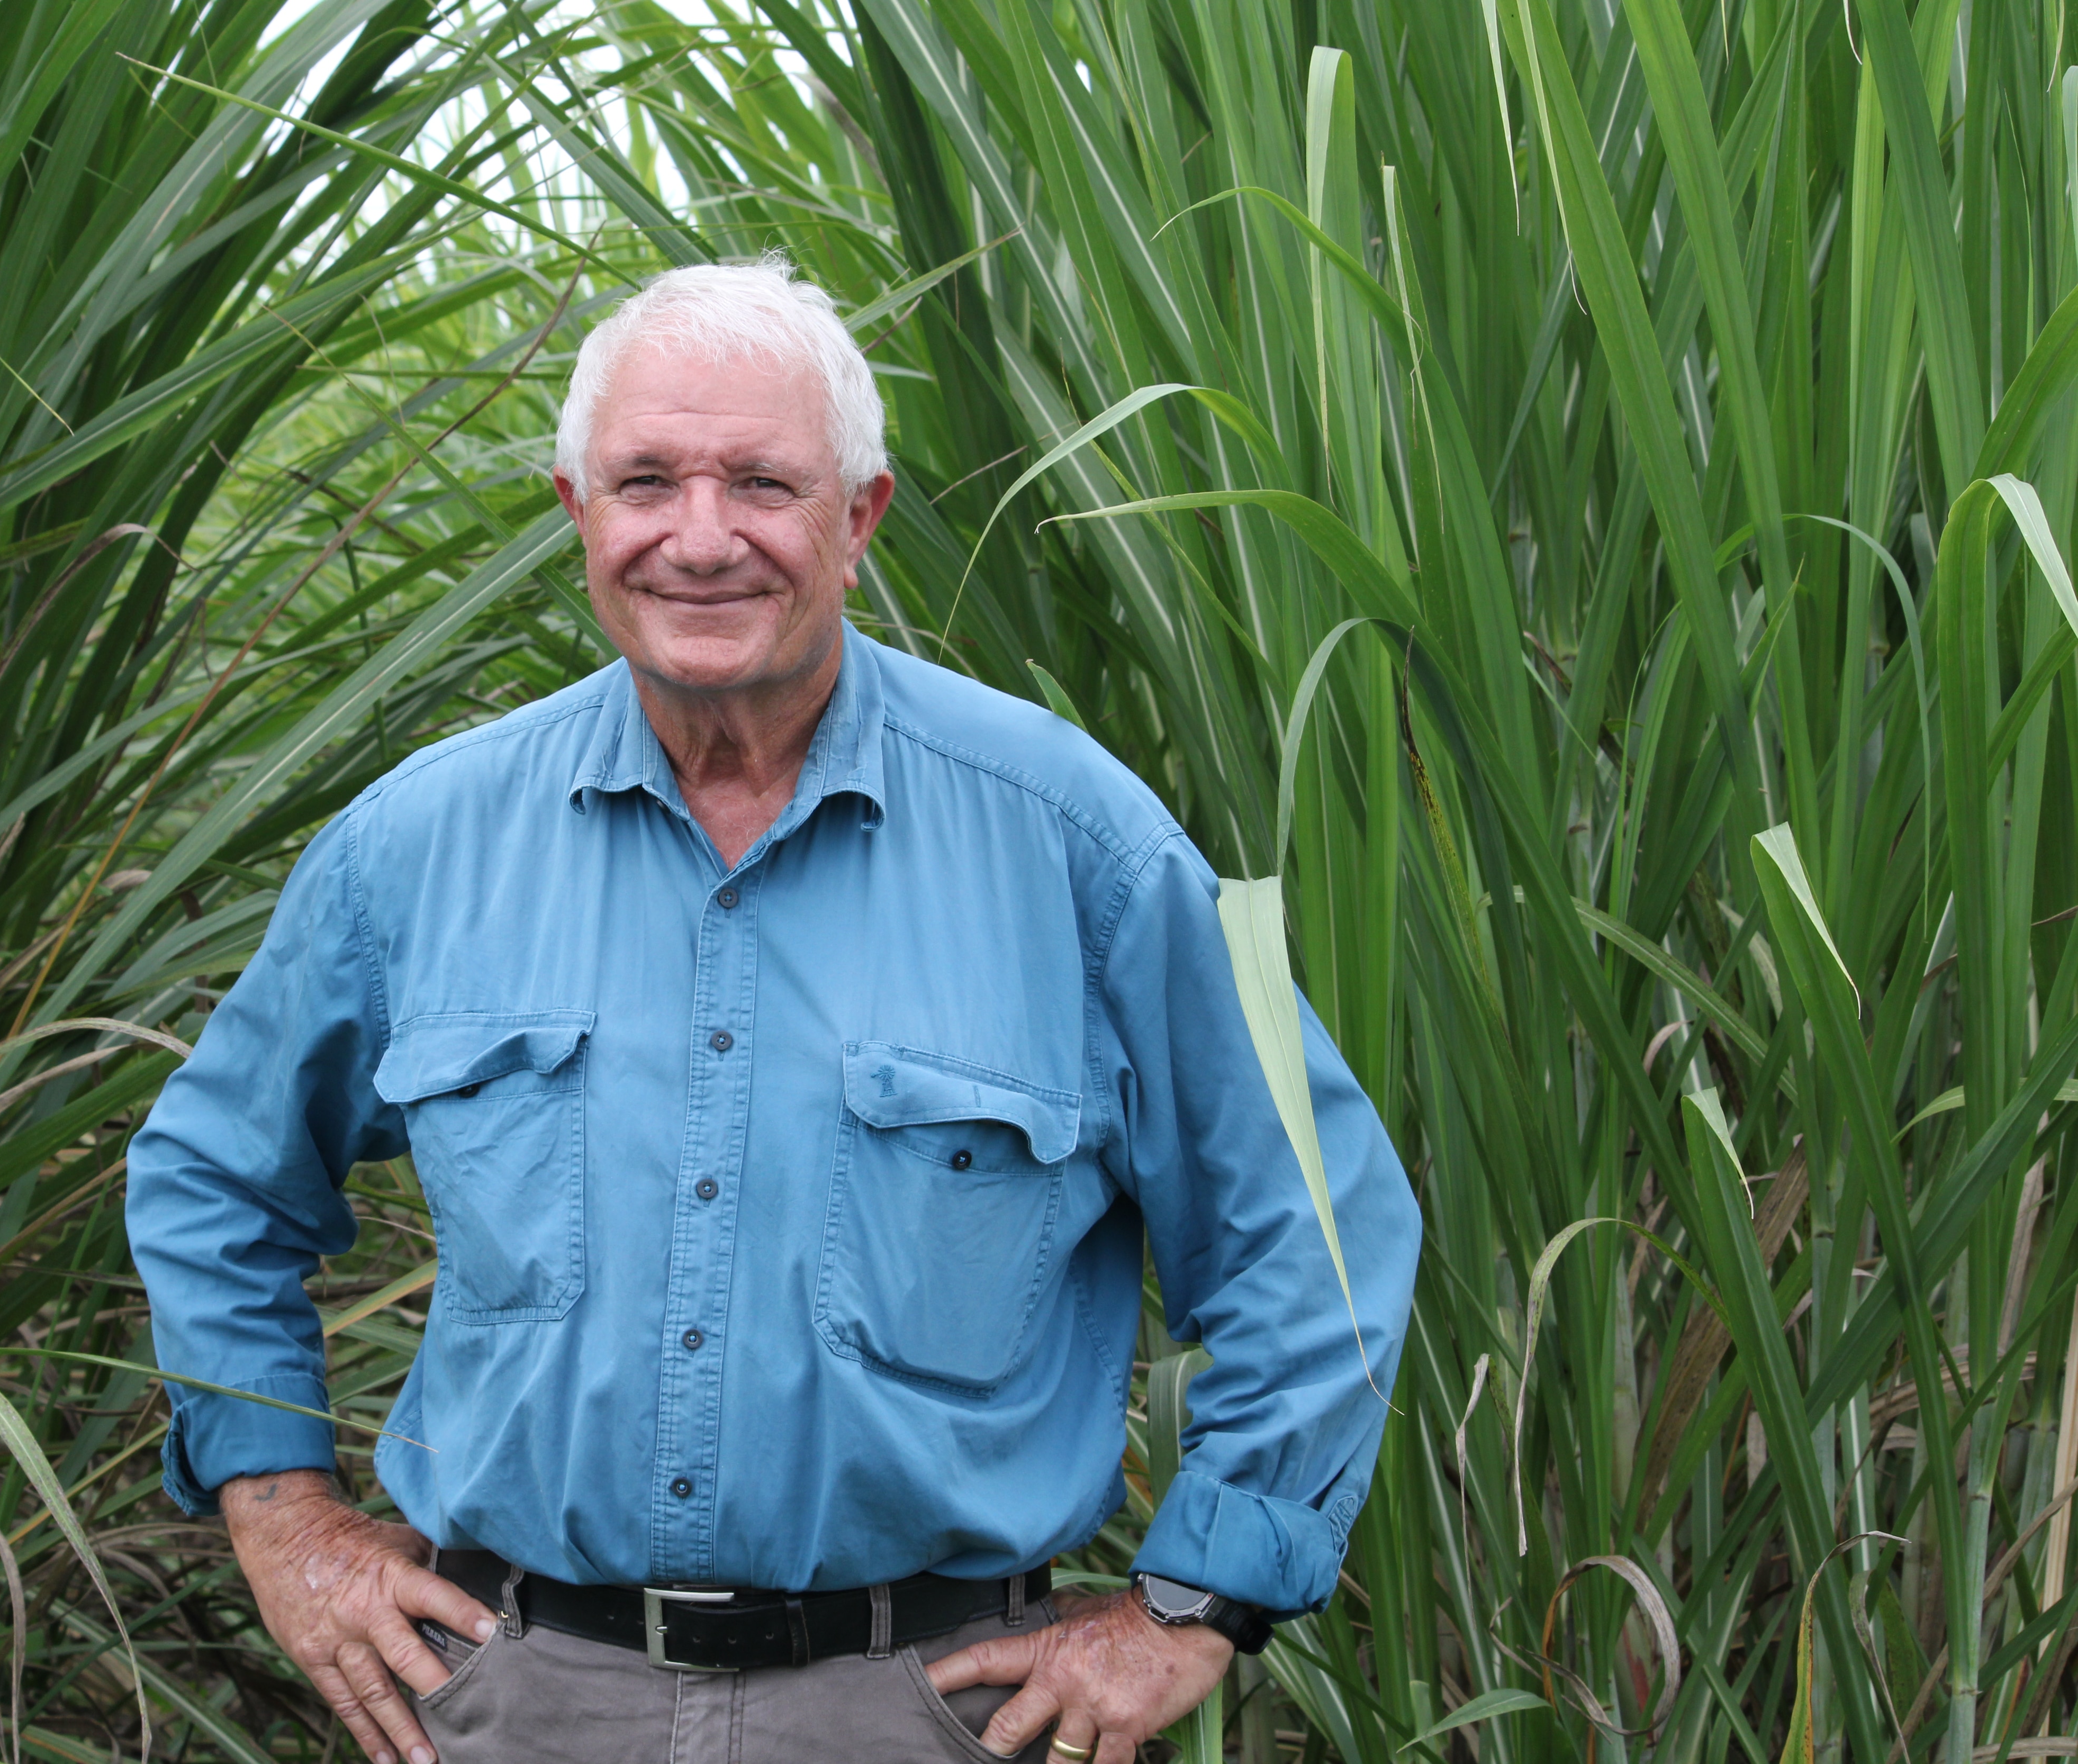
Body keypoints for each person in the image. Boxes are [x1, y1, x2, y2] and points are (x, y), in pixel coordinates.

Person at [125, 256, 1421, 1764]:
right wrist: (284, 1518)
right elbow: (214, 1176)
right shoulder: (421, 848)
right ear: (576, 513)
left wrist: (1191, 1606)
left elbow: (1311, 1225)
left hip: (937, 1715)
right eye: (647, 482)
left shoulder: (1075, 842)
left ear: (858, 519)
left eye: (761, 483)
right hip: (515, 1705)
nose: (701, 537)